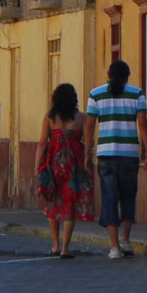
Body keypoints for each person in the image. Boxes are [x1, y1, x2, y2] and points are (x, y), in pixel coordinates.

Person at [88, 60, 147, 259]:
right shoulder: (137, 94)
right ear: (127, 77)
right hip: (129, 154)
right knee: (127, 196)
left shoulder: (95, 94)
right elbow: (143, 124)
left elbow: (89, 126)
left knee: (109, 197)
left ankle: (114, 246)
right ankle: (126, 240)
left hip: (105, 155)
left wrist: (86, 152)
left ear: (109, 75)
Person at [36, 84, 94, 258]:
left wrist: (37, 165)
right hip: (74, 164)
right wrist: (87, 161)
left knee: (53, 201)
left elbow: (42, 143)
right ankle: (65, 248)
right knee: (71, 203)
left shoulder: (49, 118)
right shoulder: (82, 118)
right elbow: (88, 143)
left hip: (53, 162)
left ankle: (55, 244)